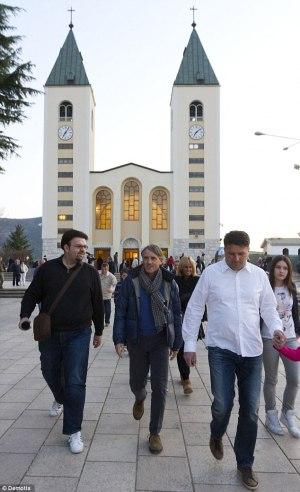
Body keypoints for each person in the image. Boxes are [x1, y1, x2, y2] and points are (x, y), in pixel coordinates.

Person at [182, 231, 285, 491]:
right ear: (224, 251)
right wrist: (190, 345)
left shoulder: (259, 276)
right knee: (222, 404)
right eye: (231, 254)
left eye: (241, 254)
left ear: (248, 251)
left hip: (252, 351)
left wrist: (275, 329)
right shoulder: (211, 274)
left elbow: (269, 309)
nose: (236, 258)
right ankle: (216, 434)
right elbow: (194, 308)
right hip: (221, 350)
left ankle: (245, 463)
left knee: (250, 410)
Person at [19, 229, 104, 454]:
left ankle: (74, 430)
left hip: (79, 333)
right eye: (78, 246)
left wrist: (99, 331)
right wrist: (25, 315)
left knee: (75, 380)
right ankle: (60, 398)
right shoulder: (47, 270)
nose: (83, 251)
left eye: (85, 247)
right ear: (65, 247)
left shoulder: (89, 273)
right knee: (49, 370)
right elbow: (31, 295)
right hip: (50, 334)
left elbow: (98, 303)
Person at [113, 244, 182, 454]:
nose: (149, 262)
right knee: (136, 382)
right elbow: (121, 312)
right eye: (146, 258)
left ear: (161, 260)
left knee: (160, 388)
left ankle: (154, 433)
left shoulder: (170, 283)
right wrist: (118, 339)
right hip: (137, 341)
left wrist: (176, 342)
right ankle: (139, 397)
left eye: (153, 258)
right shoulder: (130, 281)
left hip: (160, 341)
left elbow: (176, 314)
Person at [262, 255, 300, 438]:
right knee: (271, 379)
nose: (282, 271)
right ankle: (271, 415)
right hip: (269, 337)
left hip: (290, 337)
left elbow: (295, 313)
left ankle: (287, 413)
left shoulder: (291, 288)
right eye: (278, 267)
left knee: (294, 379)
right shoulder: (265, 288)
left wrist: (297, 333)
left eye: (285, 268)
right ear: (273, 268)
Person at [175, 256, 205, 394]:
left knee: (188, 346)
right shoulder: (176, 281)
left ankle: (184, 375)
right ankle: (186, 379)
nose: (188, 269)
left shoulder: (197, 281)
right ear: (181, 268)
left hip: (193, 319)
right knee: (181, 349)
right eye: (185, 267)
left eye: (190, 267)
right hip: (179, 318)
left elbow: (202, 300)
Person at [99, 262, 117, 326]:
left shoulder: (112, 277)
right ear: (101, 268)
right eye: (103, 269)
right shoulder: (98, 274)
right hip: (99, 296)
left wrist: (112, 290)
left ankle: (107, 321)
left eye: (105, 269)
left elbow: (114, 285)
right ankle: (100, 321)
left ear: (108, 269)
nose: (104, 271)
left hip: (107, 297)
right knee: (100, 311)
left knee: (108, 311)